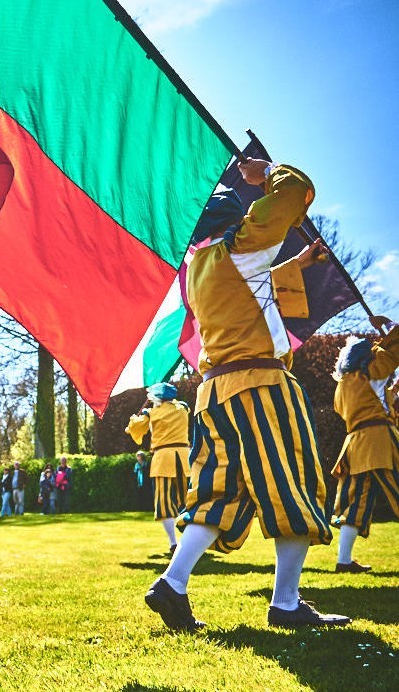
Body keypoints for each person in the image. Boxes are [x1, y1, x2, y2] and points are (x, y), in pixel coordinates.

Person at [144, 162, 349, 631]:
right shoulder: (241, 247)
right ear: (235, 223)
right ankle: (287, 602)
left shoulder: (198, 269)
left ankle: (172, 585)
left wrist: (295, 265)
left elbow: (246, 291)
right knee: (292, 481)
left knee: (219, 494)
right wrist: (267, 174)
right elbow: (294, 190)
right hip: (261, 384)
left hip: (214, 394)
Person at [329, 322, 399, 573]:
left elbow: (369, 400)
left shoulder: (342, 386)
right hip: (380, 438)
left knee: (355, 502)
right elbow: (392, 354)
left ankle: (344, 561)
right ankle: (345, 561)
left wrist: (390, 394)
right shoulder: (371, 371)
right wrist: (392, 329)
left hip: (355, 444)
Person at [126, 383, 192, 554]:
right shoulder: (183, 408)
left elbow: (133, 429)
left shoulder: (151, 413)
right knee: (189, 501)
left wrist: (136, 417)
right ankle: (190, 542)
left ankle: (173, 543)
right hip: (184, 459)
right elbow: (179, 405)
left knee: (164, 503)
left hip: (163, 460)